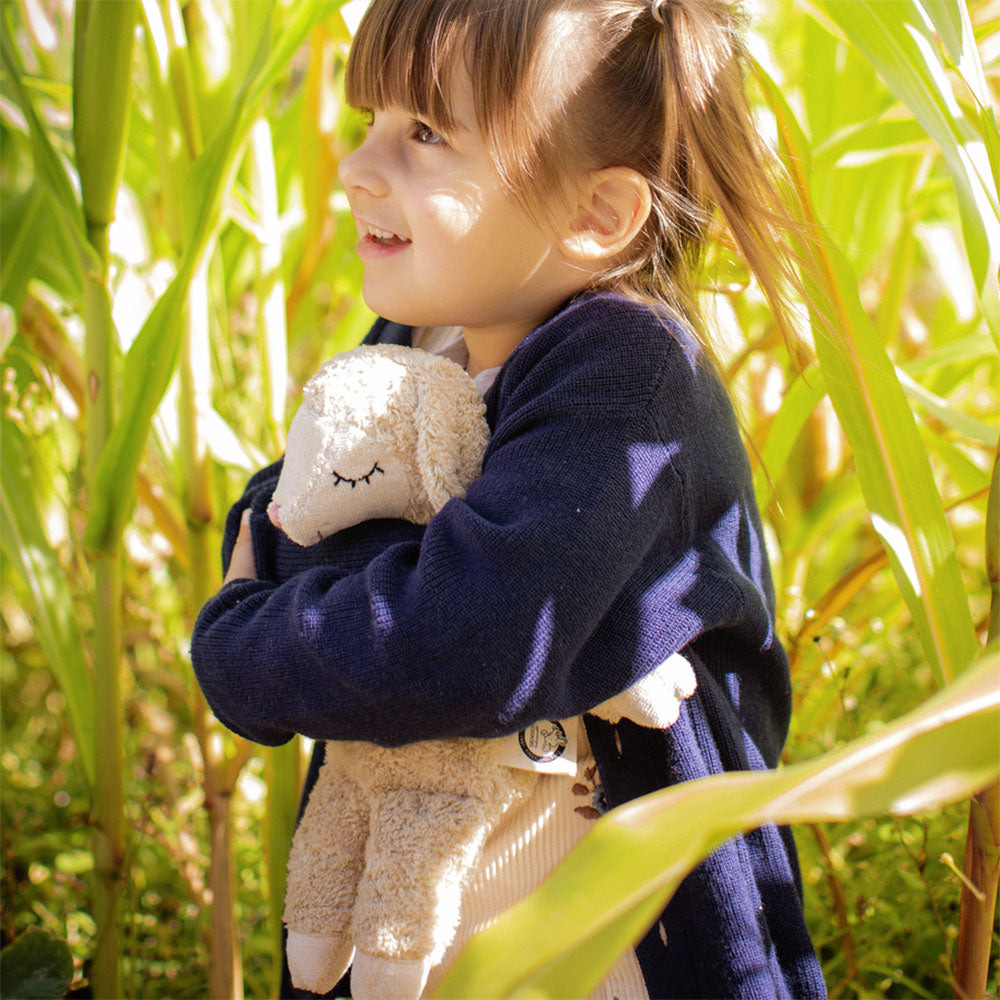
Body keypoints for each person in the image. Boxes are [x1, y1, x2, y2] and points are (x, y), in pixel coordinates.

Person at [192, 0, 827, 997]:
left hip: (601, 935)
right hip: (430, 928)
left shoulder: (628, 377)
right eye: (372, 121)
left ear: (597, 214)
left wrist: (242, 644)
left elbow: (469, 642)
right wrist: (356, 579)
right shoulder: (419, 340)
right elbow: (287, 508)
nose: (358, 167)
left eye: (425, 134)